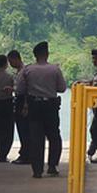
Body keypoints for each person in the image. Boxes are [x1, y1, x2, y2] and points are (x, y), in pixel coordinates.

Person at [19, 41, 67, 178]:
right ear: (47, 54)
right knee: (54, 136)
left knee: (36, 138)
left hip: (34, 105)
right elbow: (62, 88)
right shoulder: (55, 69)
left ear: (35, 55)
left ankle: (37, 170)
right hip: (51, 105)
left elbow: (20, 89)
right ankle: (52, 166)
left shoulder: (27, 70)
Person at [7, 49, 30, 164]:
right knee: (22, 129)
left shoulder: (24, 71)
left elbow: (27, 89)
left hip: (22, 101)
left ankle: (26, 155)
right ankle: (24, 152)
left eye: (11, 62)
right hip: (18, 99)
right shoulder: (19, 71)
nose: (10, 65)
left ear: (16, 59)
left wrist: (26, 105)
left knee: (24, 129)